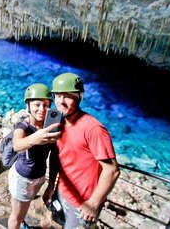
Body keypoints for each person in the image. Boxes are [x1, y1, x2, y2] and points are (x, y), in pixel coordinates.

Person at [44, 73, 120, 229]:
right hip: (62, 190)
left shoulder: (93, 129)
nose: (60, 101)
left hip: (83, 203)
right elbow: (57, 155)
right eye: (57, 95)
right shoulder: (58, 120)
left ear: (79, 97)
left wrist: (93, 203)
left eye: (67, 96)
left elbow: (112, 170)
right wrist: (51, 185)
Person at [8, 83, 62, 229]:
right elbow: (17, 144)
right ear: (28, 106)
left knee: (23, 208)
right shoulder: (24, 126)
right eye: (37, 105)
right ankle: (19, 223)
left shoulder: (51, 126)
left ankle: (22, 221)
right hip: (23, 179)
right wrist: (34, 139)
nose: (42, 109)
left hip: (39, 178)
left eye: (46, 105)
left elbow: (54, 156)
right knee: (15, 216)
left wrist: (51, 184)